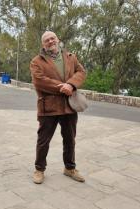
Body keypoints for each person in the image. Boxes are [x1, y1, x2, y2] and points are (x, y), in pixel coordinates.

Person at [30, 31, 86, 184]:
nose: (50, 41)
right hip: (48, 107)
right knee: (43, 141)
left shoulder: (70, 57)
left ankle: (70, 168)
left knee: (70, 140)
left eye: (52, 38)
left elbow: (81, 72)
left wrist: (71, 84)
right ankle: (39, 169)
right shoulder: (37, 61)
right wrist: (63, 87)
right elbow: (39, 81)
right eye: (47, 40)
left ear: (58, 39)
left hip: (69, 106)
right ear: (43, 44)